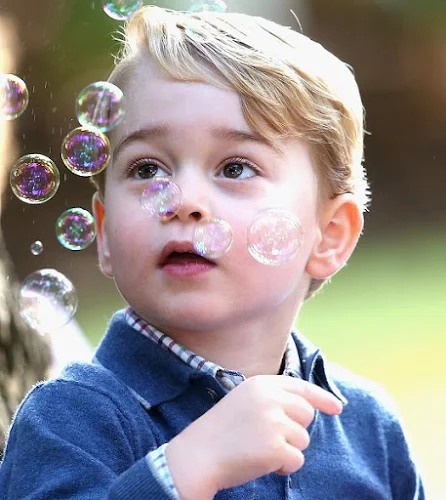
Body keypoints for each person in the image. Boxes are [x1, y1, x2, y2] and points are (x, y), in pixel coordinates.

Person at [0, 6, 424, 499]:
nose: (183, 201)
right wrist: (182, 470)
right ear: (105, 232)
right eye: (146, 170)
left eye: (236, 167)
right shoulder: (70, 419)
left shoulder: (368, 426)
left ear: (328, 234)